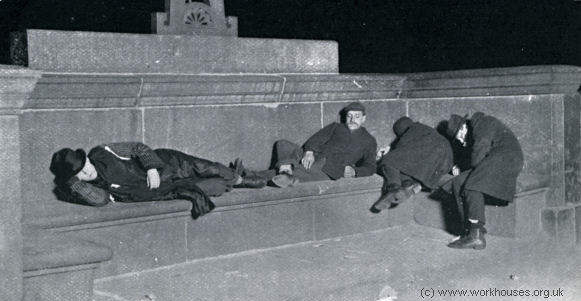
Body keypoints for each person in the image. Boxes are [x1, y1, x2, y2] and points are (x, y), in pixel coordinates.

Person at [49, 142, 266, 219]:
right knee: (215, 186)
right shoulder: (94, 188)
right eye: (80, 174)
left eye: (85, 166)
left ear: (86, 157)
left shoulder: (102, 152)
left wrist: (152, 167)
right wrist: (73, 183)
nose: (87, 173)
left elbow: (138, 148)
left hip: (167, 163)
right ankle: (236, 177)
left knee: (207, 168)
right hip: (168, 188)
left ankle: (240, 179)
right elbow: (99, 201)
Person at [445, 112, 524, 250]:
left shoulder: (483, 122)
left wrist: (471, 172)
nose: (462, 141)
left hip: (506, 159)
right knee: (458, 182)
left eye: (460, 136)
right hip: (494, 161)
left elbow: (480, 148)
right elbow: (478, 156)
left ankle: (476, 235)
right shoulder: (476, 130)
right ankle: (468, 231)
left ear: (464, 127)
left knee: (471, 185)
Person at [263, 102, 377, 187]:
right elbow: (316, 139)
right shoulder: (336, 127)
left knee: (296, 172)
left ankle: (254, 177)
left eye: (357, 116)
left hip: (329, 169)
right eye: (349, 116)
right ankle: (285, 171)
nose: (352, 119)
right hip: (312, 157)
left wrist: (355, 172)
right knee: (282, 144)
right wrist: (309, 152)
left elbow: (370, 166)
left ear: (363, 119)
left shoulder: (369, 141)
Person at [372, 116, 454, 210]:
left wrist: (382, 157)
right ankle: (409, 185)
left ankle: (394, 187)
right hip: (447, 158)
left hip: (433, 154)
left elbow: (399, 153)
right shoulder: (426, 129)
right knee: (408, 168)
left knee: (389, 160)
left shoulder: (411, 130)